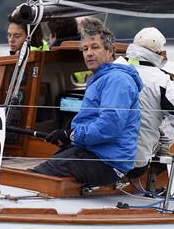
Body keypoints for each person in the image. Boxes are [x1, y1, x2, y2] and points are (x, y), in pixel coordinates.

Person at [32, 18, 143, 186]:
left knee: (36, 176)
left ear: (110, 50)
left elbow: (109, 126)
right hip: (94, 152)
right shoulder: (102, 77)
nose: (89, 53)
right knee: (48, 165)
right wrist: (69, 138)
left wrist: (72, 135)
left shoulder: (117, 80)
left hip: (107, 162)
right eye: (85, 49)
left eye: (95, 47)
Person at [125, 27, 174, 171]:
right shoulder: (161, 80)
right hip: (134, 163)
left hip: (100, 155)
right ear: (159, 53)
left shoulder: (112, 69)